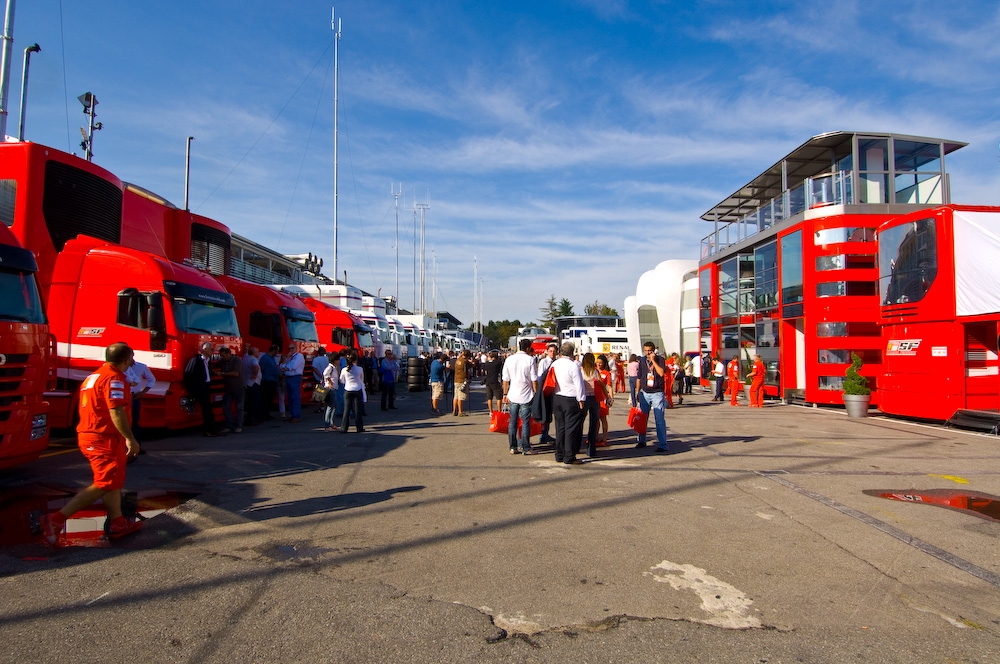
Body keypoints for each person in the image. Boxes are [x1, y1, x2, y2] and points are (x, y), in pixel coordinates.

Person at [40, 342, 143, 545]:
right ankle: (56, 520)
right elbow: (116, 410)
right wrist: (130, 439)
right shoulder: (115, 379)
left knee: (112, 481)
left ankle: (118, 523)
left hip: (94, 435)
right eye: (132, 357)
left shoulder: (93, 376)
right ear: (127, 359)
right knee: (105, 483)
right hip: (103, 438)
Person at [551, 342, 587, 465]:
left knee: (560, 427)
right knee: (571, 428)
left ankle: (559, 454)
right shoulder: (573, 365)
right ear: (572, 352)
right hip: (570, 398)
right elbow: (579, 384)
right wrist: (581, 399)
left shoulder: (555, 364)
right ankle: (569, 455)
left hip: (558, 397)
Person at [502, 339, 538, 455]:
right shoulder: (530, 360)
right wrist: (536, 392)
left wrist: (505, 394)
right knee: (525, 422)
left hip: (512, 394)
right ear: (528, 348)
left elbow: (505, 379)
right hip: (526, 395)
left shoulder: (509, 359)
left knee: (512, 421)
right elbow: (534, 379)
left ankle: (513, 447)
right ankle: (526, 447)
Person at [184, 341, 224, 437]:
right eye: (211, 349)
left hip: (206, 388)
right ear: (204, 349)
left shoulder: (207, 361)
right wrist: (192, 390)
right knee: (207, 409)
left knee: (208, 409)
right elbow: (188, 375)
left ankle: (212, 430)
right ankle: (208, 430)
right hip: (199, 389)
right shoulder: (196, 360)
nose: (213, 351)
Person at [635, 342, 669, 453]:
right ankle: (641, 440)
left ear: (654, 350)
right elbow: (639, 377)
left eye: (650, 350)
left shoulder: (660, 360)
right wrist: (637, 392)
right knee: (642, 418)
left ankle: (663, 444)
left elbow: (661, 373)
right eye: (646, 351)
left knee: (659, 419)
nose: (648, 353)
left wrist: (654, 360)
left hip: (657, 393)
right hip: (645, 392)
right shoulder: (642, 361)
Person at [124, 356, 154, 451]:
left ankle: (137, 447)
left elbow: (151, 379)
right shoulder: (120, 367)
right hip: (122, 397)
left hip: (134, 397)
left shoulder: (141, 367)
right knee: (122, 422)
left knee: (134, 423)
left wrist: (142, 392)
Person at [532, 342, 558, 444]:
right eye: (550, 351)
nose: (552, 353)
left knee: (549, 413)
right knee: (544, 412)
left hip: (553, 390)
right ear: (547, 352)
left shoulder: (557, 362)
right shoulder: (544, 362)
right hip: (545, 390)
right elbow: (540, 377)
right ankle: (543, 435)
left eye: (554, 351)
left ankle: (545, 434)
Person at [579, 354, 602, 458]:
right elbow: (600, 383)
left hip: (584, 398)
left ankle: (577, 446)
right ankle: (591, 450)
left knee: (580, 423)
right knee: (593, 425)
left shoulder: (581, 371)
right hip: (594, 398)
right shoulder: (595, 372)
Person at [218, 346, 245, 433]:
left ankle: (239, 426)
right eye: (221, 356)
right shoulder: (223, 361)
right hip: (228, 389)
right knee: (226, 406)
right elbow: (214, 364)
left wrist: (221, 373)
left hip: (238, 387)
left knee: (239, 407)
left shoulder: (237, 360)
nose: (222, 357)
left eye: (223, 355)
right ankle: (229, 425)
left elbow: (236, 373)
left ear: (228, 354)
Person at [339, 350, 367, 433]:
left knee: (346, 410)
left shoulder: (344, 370)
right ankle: (359, 428)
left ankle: (344, 428)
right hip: (357, 390)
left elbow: (341, 380)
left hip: (348, 390)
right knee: (357, 410)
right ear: (356, 360)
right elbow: (361, 379)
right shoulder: (359, 369)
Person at [280, 343, 305, 422]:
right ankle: (292, 414)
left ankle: (297, 416)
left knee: (295, 397)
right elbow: (281, 366)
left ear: (296, 348)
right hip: (288, 377)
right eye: (289, 349)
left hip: (295, 377)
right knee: (290, 397)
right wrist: (284, 364)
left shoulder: (299, 356)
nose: (290, 350)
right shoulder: (289, 357)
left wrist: (284, 366)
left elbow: (291, 367)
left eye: (292, 348)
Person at [594, 354, 613, 446]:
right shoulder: (594, 371)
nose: (599, 365)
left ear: (604, 364)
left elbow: (609, 386)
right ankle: (595, 437)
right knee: (595, 419)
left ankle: (604, 439)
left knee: (603, 419)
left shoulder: (607, 373)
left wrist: (611, 398)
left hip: (603, 398)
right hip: (595, 397)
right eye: (597, 363)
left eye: (601, 363)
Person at [259, 344, 280, 419]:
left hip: (273, 380)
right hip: (267, 381)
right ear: (274, 350)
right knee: (267, 398)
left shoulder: (272, 358)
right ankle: (264, 414)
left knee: (271, 398)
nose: (277, 353)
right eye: (277, 351)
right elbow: (261, 369)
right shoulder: (265, 358)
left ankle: (267, 413)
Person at [243, 346, 262, 425]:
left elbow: (245, 354)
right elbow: (256, 367)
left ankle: (249, 418)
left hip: (247, 383)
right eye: (257, 352)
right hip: (254, 383)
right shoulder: (253, 359)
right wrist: (255, 375)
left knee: (249, 401)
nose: (259, 353)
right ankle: (254, 418)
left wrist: (246, 348)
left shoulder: (245, 357)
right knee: (254, 401)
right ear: (254, 353)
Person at [312, 349, 330, 414]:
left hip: (319, 379)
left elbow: (314, 368)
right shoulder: (327, 359)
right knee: (327, 393)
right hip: (327, 379)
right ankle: (327, 407)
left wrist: (320, 376)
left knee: (320, 393)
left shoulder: (316, 359)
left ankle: (322, 407)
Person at [453, 350, 470, 416]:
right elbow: (472, 365)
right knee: (461, 397)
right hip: (462, 380)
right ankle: (460, 411)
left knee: (456, 396)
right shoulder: (465, 362)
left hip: (456, 379)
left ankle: (454, 410)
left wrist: (461, 355)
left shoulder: (457, 360)